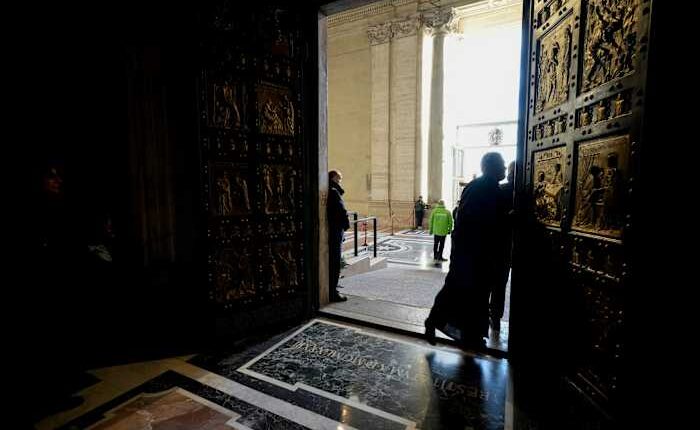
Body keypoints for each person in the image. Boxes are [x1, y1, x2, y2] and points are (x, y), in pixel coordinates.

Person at [424, 153, 508, 349]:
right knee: (469, 294)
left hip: (473, 253)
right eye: (502, 166)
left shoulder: (484, 186)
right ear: (490, 166)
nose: (504, 170)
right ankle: (447, 326)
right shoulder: (482, 187)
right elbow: (473, 219)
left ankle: (468, 335)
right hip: (472, 254)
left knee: (469, 294)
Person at [490, 161, 515, 332]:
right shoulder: (526, 191)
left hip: (497, 245)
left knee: (492, 282)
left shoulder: (500, 190)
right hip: (507, 247)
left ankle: (492, 317)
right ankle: (496, 316)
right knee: (500, 284)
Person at [327, 170, 350, 302]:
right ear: (333, 178)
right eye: (339, 179)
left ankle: (331, 289)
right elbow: (341, 211)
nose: (340, 181)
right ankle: (332, 292)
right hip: (335, 231)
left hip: (334, 230)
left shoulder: (330, 190)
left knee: (334, 261)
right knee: (334, 262)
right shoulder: (333, 192)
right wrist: (346, 225)